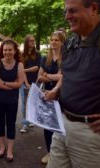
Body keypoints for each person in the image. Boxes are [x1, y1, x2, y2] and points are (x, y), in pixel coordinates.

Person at [46, 0, 100, 168]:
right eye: (66, 11)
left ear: (94, 8)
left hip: (94, 135)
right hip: (62, 127)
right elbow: (68, 76)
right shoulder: (71, 41)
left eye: (73, 11)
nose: (67, 17)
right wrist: (57, 91)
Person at [0, 39, 25, 162]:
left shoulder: (19, 65)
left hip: (12, 100)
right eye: (5, 50)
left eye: (10, 49)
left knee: (11, 124)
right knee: (0, 123)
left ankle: (10, 150)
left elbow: (20, 83)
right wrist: (11, 85)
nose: (7, 52)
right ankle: (2, 147)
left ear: (15, 50)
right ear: (2, 51)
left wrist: (3, 83)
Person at [37, 30, 65, 164]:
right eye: (52, 40)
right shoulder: (45, 58)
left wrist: (47, 75)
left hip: (60, 94)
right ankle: (49, 152)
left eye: (56, 40)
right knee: (47, 125)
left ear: (62, 42)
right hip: (46, 95)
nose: (53, 42)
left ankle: (59, 152)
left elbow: (62, 77)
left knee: (59, 124)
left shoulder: (65, 57)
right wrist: (51, 76)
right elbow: (39, 77)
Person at [19, 34, 41, 133]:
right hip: (24, 82)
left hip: (35, 82)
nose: (33, 42)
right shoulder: (22, 54)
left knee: (33, 102)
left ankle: (30, 119)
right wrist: (26, 82)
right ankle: (24, 123)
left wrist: (25, 70)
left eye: (33, 41)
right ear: (26, 42)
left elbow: (37, 67)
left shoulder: (37, 54)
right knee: (24, 103)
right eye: (30, 41)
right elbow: (21, 71)